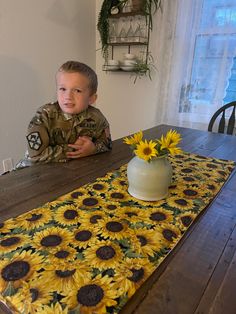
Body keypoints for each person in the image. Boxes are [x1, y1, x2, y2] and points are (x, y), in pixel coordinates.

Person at [16, 61, 112, 168]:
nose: (68, 96)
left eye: (77, 90)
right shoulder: (44, 115)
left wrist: (93, 148)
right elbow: (35, 155)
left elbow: (107, 144)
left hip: (70, 172)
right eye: (63, 89)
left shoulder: (96, 117)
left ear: (91, 98)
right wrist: (76, 149)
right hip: (31, 173)